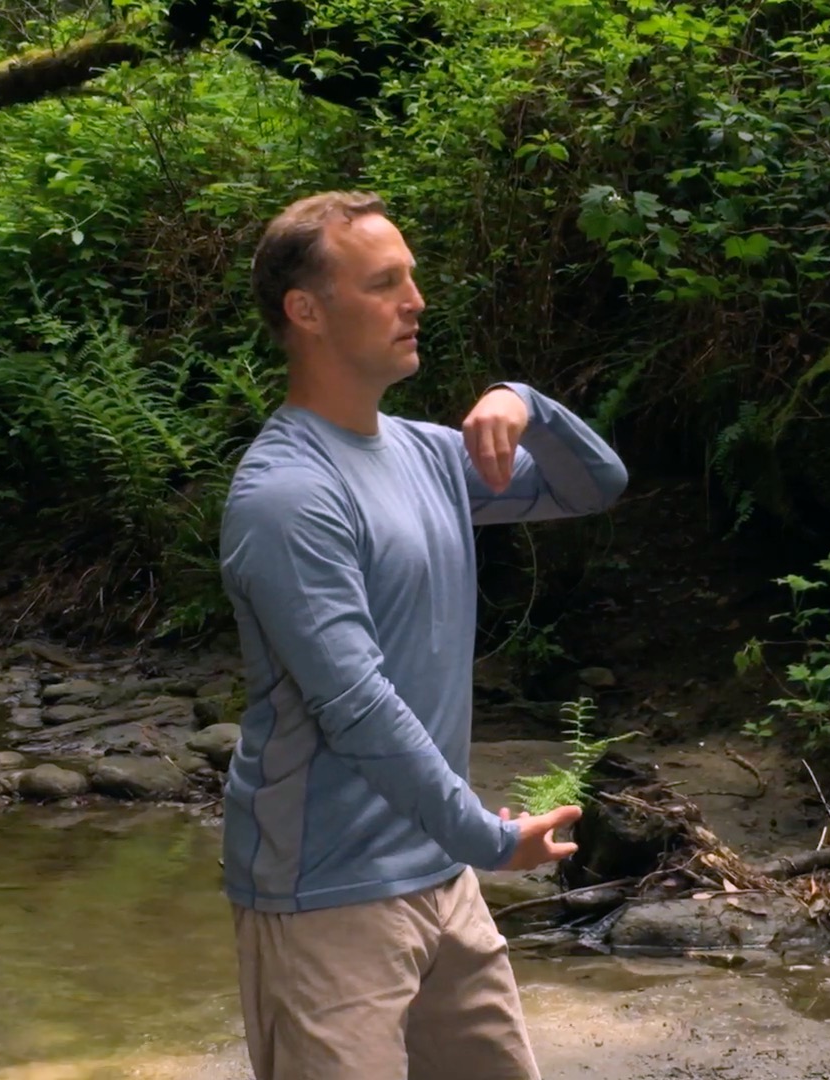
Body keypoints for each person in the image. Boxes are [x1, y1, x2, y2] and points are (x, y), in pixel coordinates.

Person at [216, 191, 630, 1080]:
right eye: (386, 282)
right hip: (324, 898)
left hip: (442, 879)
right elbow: (356, 707)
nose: (417, 300)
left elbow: (596, 483)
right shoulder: (287, 497)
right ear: (307, 310)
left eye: (412, 277)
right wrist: (487, 837)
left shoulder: (431, 457)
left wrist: (527, 403)